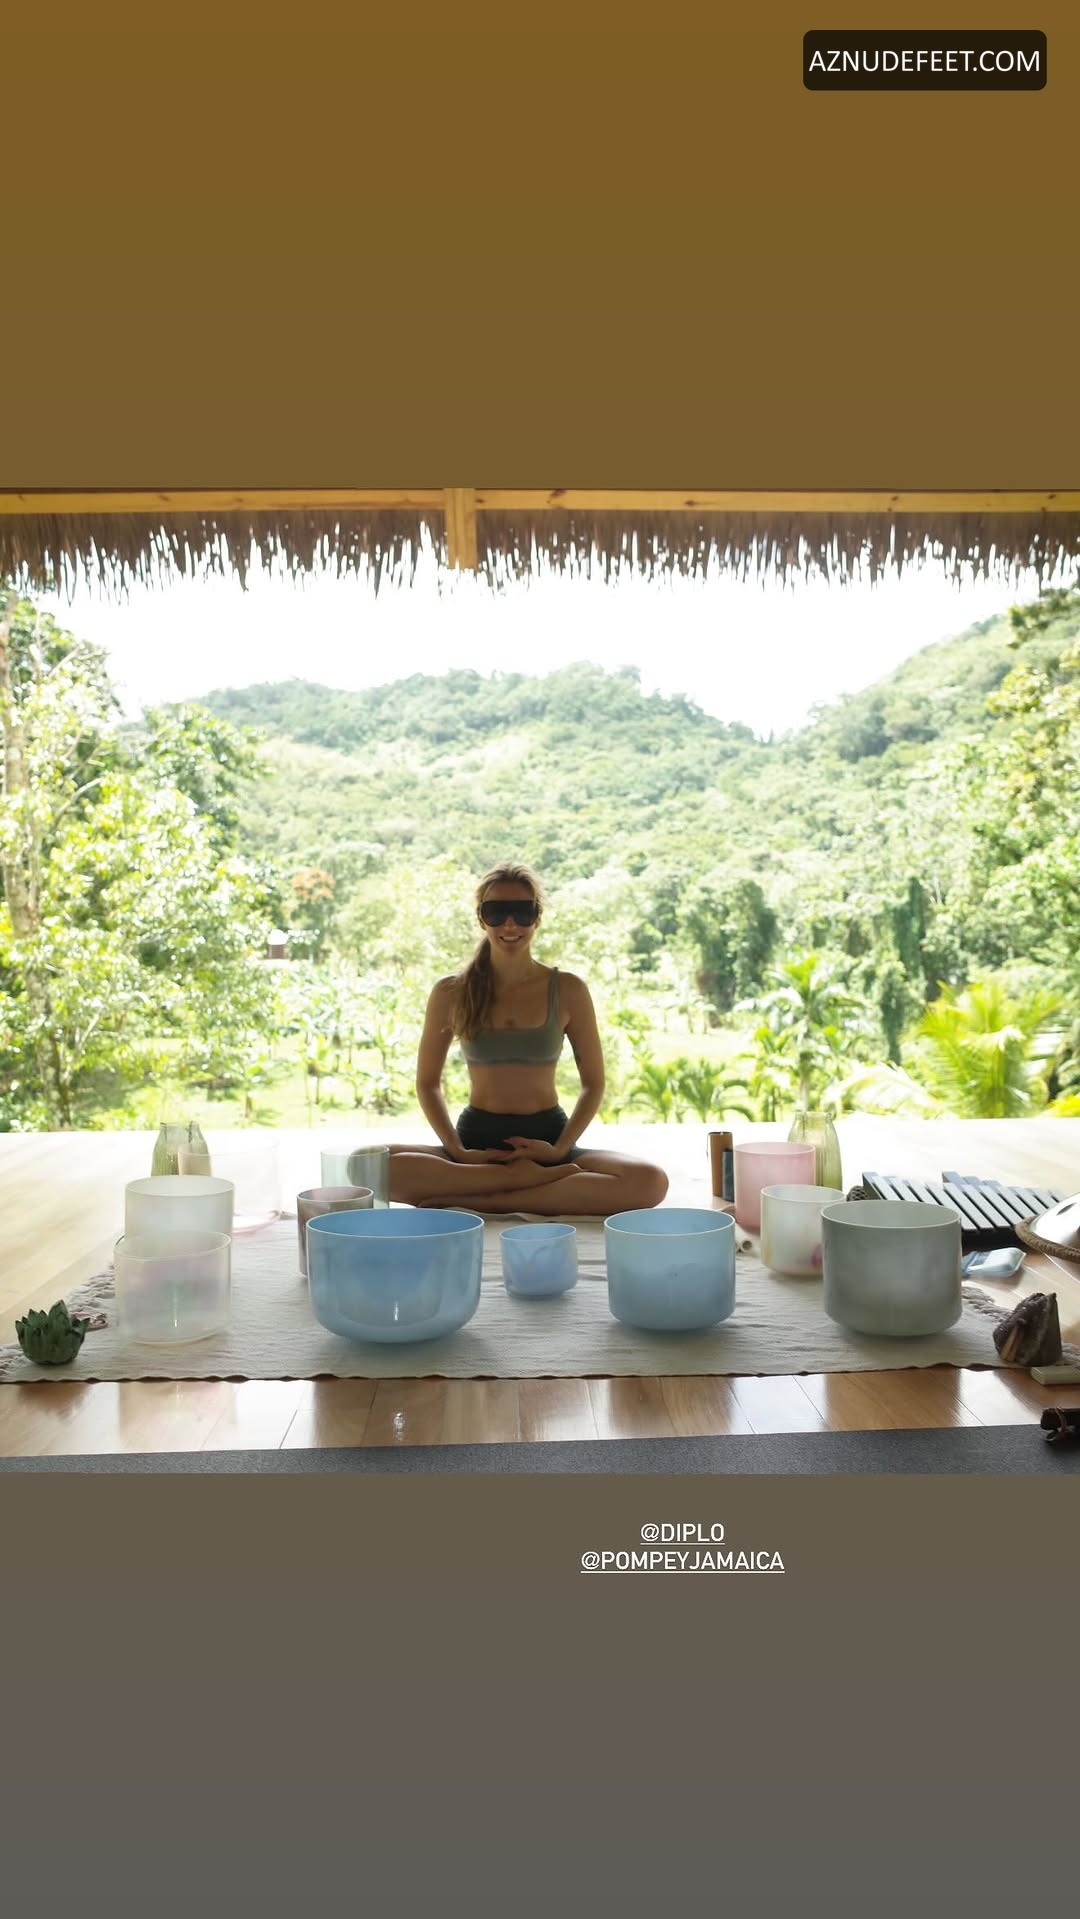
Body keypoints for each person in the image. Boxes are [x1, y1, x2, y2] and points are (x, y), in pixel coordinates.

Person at [388, 863, 669, 1215]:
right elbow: (428, 1083)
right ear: (481, 918)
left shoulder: (567, 989)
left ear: (537, 918)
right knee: (370, 1164)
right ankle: (527, 1182)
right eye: (496, 912)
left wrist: (560, 1150)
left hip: (547, 1142)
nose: (510, 924)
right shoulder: (451, 992)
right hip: (475, 1145)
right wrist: (457, 1150)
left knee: (650, 1181)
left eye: (522, 912)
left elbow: (593, 1084)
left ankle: (481, 1196)